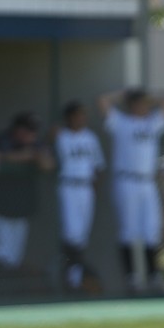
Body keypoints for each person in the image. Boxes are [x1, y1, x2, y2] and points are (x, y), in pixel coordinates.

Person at [99, 87, 164, 294]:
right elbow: (103, 101)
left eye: (145, 103)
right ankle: (131, 279)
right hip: (126, 180)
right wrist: (123, 95)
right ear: (132, 104)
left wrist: (150, 98)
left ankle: (154, 277)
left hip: (147, 182)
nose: (144, 106)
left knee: (151, 229)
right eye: (139, 102)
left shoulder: (151, 123)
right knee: (129, 230)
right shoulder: (122, 122)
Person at [0, 111, 54, 278]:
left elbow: (47, 165)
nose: (32, 135)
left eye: (34, 131)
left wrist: (34, 155)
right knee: (0, 253)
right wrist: (26, 156)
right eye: (28, 130)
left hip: (21, 209)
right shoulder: (2, 139)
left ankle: (6, 293)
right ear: (17, 129)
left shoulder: (36, 144)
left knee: (14, 257)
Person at [53, 100, 106, 293]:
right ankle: (70, 277)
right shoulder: (61, 136)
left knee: (82, 236)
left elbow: (98, 167)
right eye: (78, 114)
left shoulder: (90, 138)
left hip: (85, 187)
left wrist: (94, 189)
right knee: (71, 233)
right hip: (68, 185)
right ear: (69, 117)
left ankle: (75, 277)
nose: (82, 118)